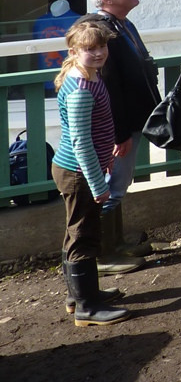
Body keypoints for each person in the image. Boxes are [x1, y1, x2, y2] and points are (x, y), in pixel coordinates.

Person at [51, 18, 131, 327]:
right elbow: (80, 141)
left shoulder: (88, 75)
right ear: (74, 50)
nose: (98, 53)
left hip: (83, 168)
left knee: (77, 231)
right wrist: (98, 184)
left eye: (102, 46)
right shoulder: (82, 88)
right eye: (89, 49)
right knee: (83, 235)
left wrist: (106, 150)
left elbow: (93, 130)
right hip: (78, 171)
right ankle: (87, 307)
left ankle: (81, 294)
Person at [85, 0, 160, 274]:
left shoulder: (121, 23)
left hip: (130, 122)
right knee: (112, 186)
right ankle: (105, 255)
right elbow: (108, 85)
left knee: (120, 184)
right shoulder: (100, 29)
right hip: (117, 128)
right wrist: (118, 134)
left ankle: (115, 244)